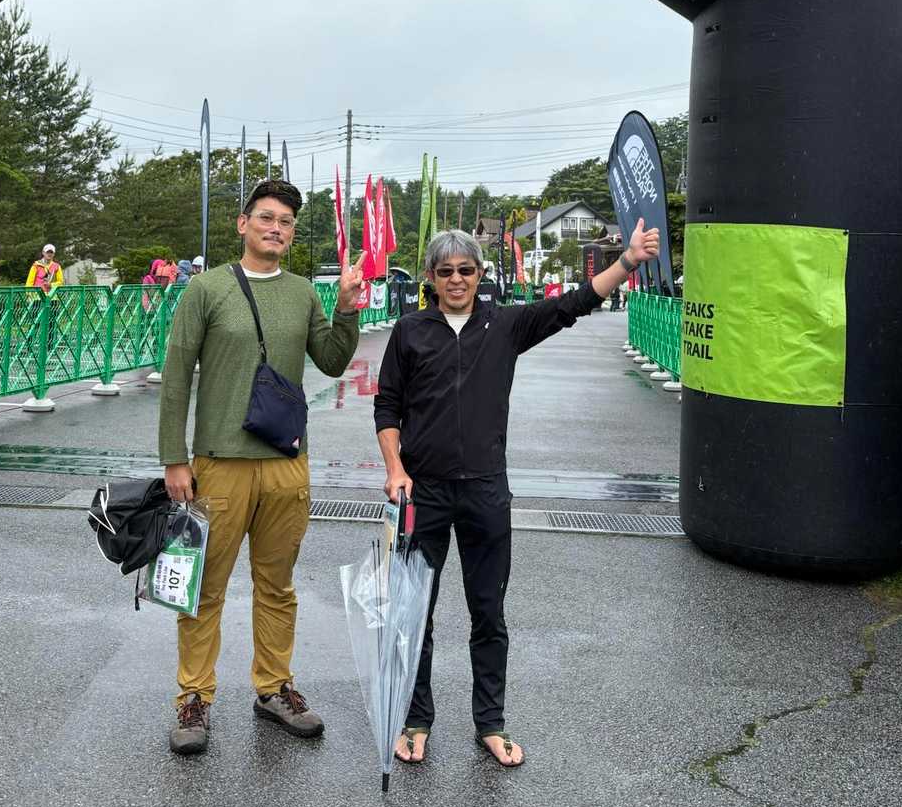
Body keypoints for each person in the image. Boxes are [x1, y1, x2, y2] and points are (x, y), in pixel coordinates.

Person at [374, 218, 660, 770]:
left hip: (485, 490)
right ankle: (415, 719)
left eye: (466, 270)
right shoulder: (410, 331)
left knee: (488, 612)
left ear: (480, 273)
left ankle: (491, 722)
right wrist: (395, 469)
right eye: (445, 271)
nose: (456, 279)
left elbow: (574, 303)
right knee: (414, 613)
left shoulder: (502, 324)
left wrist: (626, 262)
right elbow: (387, 405)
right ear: (430, 278)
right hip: (422, 491)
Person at [160, 179, 366, 756]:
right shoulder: (206, 288)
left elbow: (332, 360)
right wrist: (174, 458)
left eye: (286, 222)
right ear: (243, 224)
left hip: (285, 464)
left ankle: (274, 688)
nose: (276, 228)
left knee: (277, 586)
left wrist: (347, 309)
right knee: (205, 588)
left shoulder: (303, 293)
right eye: (267, 217)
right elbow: (176, 375)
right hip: (218, 463)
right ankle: (194, 696)